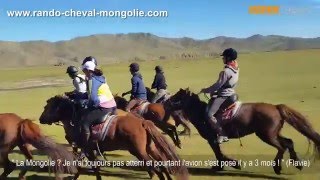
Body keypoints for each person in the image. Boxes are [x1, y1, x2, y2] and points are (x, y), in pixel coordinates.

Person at [200, 48, 239, 144]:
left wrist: (206, 90)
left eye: (224, 57)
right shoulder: (236, 68)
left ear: (228, 58)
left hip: (224, 95)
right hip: (231, 93)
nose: (223, 59)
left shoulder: (226, 71)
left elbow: (217, 85)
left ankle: (222, 134)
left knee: (209, 114)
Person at [79, 60, 117, 157]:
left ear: (88, 71)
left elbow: (93, 99)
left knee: (84, 123)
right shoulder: (100, 78)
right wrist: (77, 96)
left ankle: (85, 148)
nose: (84, 73)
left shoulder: (92, 80)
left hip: (104, 107)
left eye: (84, 71)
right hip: (112, 105)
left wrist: (87, 105)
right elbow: (89, 94)